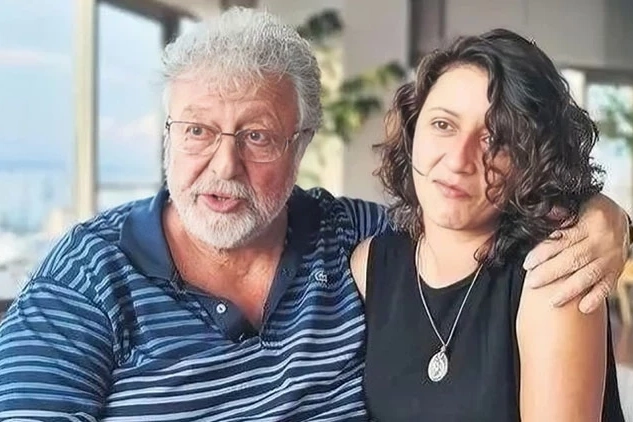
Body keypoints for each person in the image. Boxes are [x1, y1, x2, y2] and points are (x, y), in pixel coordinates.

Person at [0, 8, 629, 421]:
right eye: (196, 131)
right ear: (167, 136)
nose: (224, 165)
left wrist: (600, 216)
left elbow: (463, 220)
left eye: (257, 137)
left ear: (300, 147)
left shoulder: (353, 239)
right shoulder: (90, 272)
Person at [351, 29, 625, 421]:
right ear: (412, 130)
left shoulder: (554, 272)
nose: (459, 160)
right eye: (443, 125)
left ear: (533, 160)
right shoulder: (370, 265)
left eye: (496, 139)